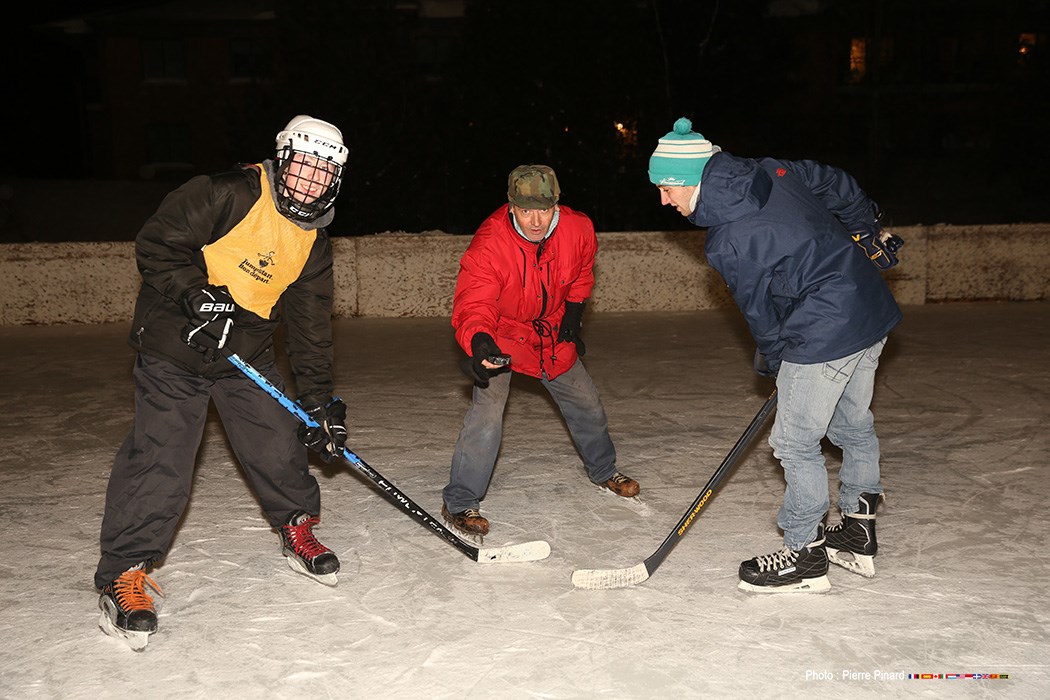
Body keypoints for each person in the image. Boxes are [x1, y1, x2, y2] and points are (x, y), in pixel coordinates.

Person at [94, 115, 351, 649]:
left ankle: (296, 525)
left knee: (277, 441)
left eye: (322, 173)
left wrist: (320, 403)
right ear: (283, 160)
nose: (309, 182)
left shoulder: (314, 244)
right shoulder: (225, 193)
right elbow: (158, 244)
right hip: (174, 343)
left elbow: (309, 329)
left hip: (245, 353)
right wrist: (195, 295)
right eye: (302, 166)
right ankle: (125, 571)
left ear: (334, 180)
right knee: (163, 458)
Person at [648, 117, 902, 593]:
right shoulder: (771, 169)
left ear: (692, 180)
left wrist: (774, 358)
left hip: (823, 331)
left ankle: (804, 554)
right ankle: (856, 532)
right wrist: (865, 231)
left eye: (667, 187)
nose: (664, 200)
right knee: (852, 425)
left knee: (794, 443)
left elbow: (761, 311)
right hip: (869, 309)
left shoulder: (728, 238)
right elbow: (836, 182)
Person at [441, 164, 640, 538]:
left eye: (544, 209)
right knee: (487, 414)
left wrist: (574, 313)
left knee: (587, 403)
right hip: (502, 334)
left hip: (550, 333)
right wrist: (479, 339)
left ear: (557, 205)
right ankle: (461, 499)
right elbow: (473, 302)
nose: (536, 220)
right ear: (511, 206)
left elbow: (581, 272)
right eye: (526, 209)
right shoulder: (490, 244)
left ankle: (603, 470)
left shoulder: (578, 229)